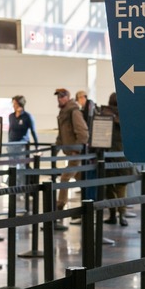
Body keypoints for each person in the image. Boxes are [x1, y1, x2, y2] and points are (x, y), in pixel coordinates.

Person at [54, 88, 89, 218]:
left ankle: (59, 207)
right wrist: (55, 150)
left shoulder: (73, 111)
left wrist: (77, 150)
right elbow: (61, 135)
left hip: (76, 153)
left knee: (65, 178)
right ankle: (87, 206)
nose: (60, 98)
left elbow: (83, 132)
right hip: (70, 152)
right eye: (58, 96)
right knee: (80, 179)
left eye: (62, 96)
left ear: (68, 97)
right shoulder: (63, 113)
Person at [101, 93, 132, 226]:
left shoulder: (104, 115)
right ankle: (122, 215)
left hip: (108, 156)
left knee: (109, 188)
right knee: (121, 189)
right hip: (123, 157)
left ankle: (113, 214)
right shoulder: (127, 116)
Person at [7, 95, 38, 186]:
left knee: (22, 168)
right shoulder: (11, 116)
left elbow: (33, 132)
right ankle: (12, 187)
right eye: (13, 103)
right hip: (12, 146)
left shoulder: (27, 117)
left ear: (20, 104)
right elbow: (10, 130)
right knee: (12, 167)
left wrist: (37, 147)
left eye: (15, 103)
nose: (13, 105)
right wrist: (8, 144)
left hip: (23, 146)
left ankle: (22, 188)